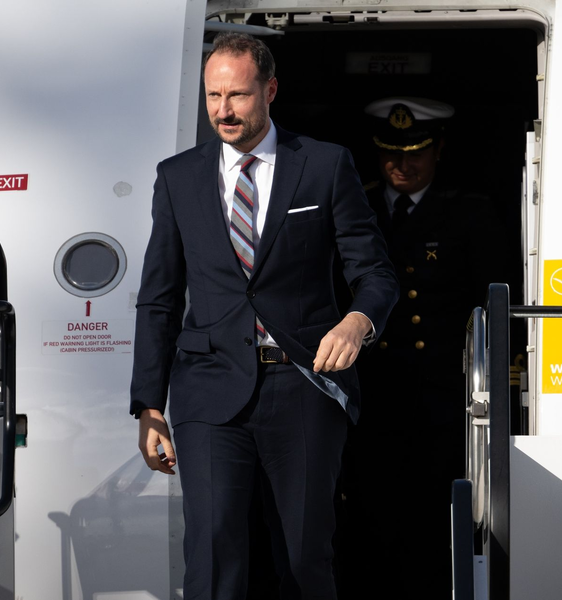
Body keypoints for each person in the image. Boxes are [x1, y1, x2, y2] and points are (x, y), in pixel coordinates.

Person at [129, 33, 398, 600]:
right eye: (213, 96)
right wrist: (149, 405)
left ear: (270, 90)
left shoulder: (324, 165)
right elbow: (159, 296)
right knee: (212, 549)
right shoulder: (177, 177)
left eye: (239, 95)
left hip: (301, 385)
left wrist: (356, 322)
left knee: (302, 557)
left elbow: (374, 273)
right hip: (208, 386)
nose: (223, 111)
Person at [341, 97, 510, 598]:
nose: (402, 164)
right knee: (369, 512)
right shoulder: (359, 207)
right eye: (391, 153)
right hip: (370, 392)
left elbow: (495, 302)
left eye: (415, 152)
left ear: (439, 150)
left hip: (441, 395)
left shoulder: (469, 213)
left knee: (432, 518)